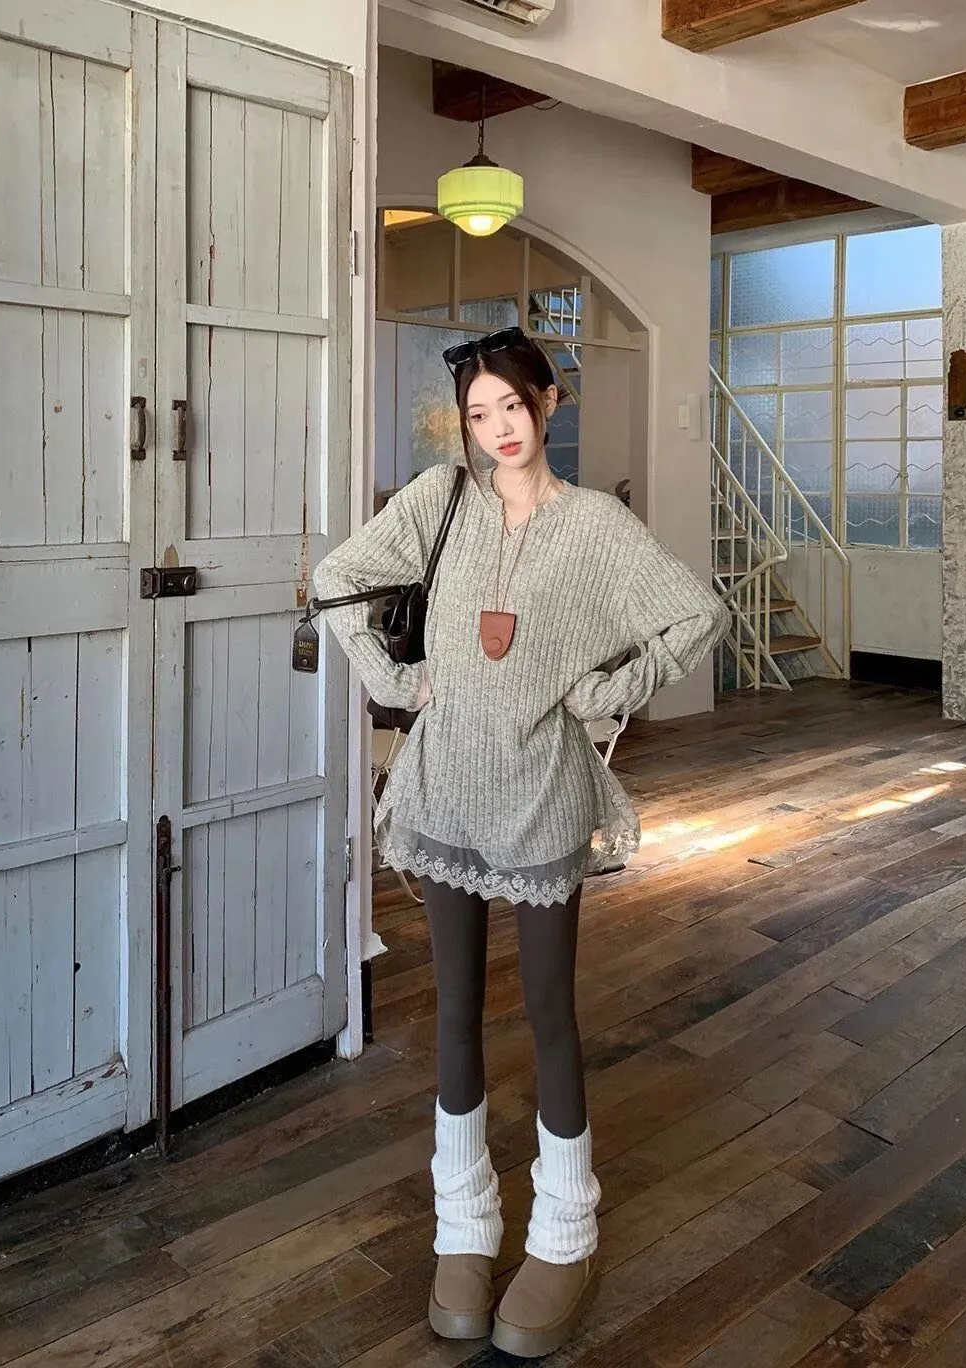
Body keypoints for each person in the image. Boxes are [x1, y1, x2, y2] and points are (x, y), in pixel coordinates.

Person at [313, 326, 730, 1358]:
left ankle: (563, 1231)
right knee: (454, 1009)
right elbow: (336, 578)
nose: (497, 428)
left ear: (549, 401)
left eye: (512, 404)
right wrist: (392, 678)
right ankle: (464, 1223)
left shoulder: (596, 527)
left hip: (542, 793)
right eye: (478, 414)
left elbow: (695, 614)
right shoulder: (439, 501)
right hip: (443, 787)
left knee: (549, 1014)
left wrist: (611, 687)